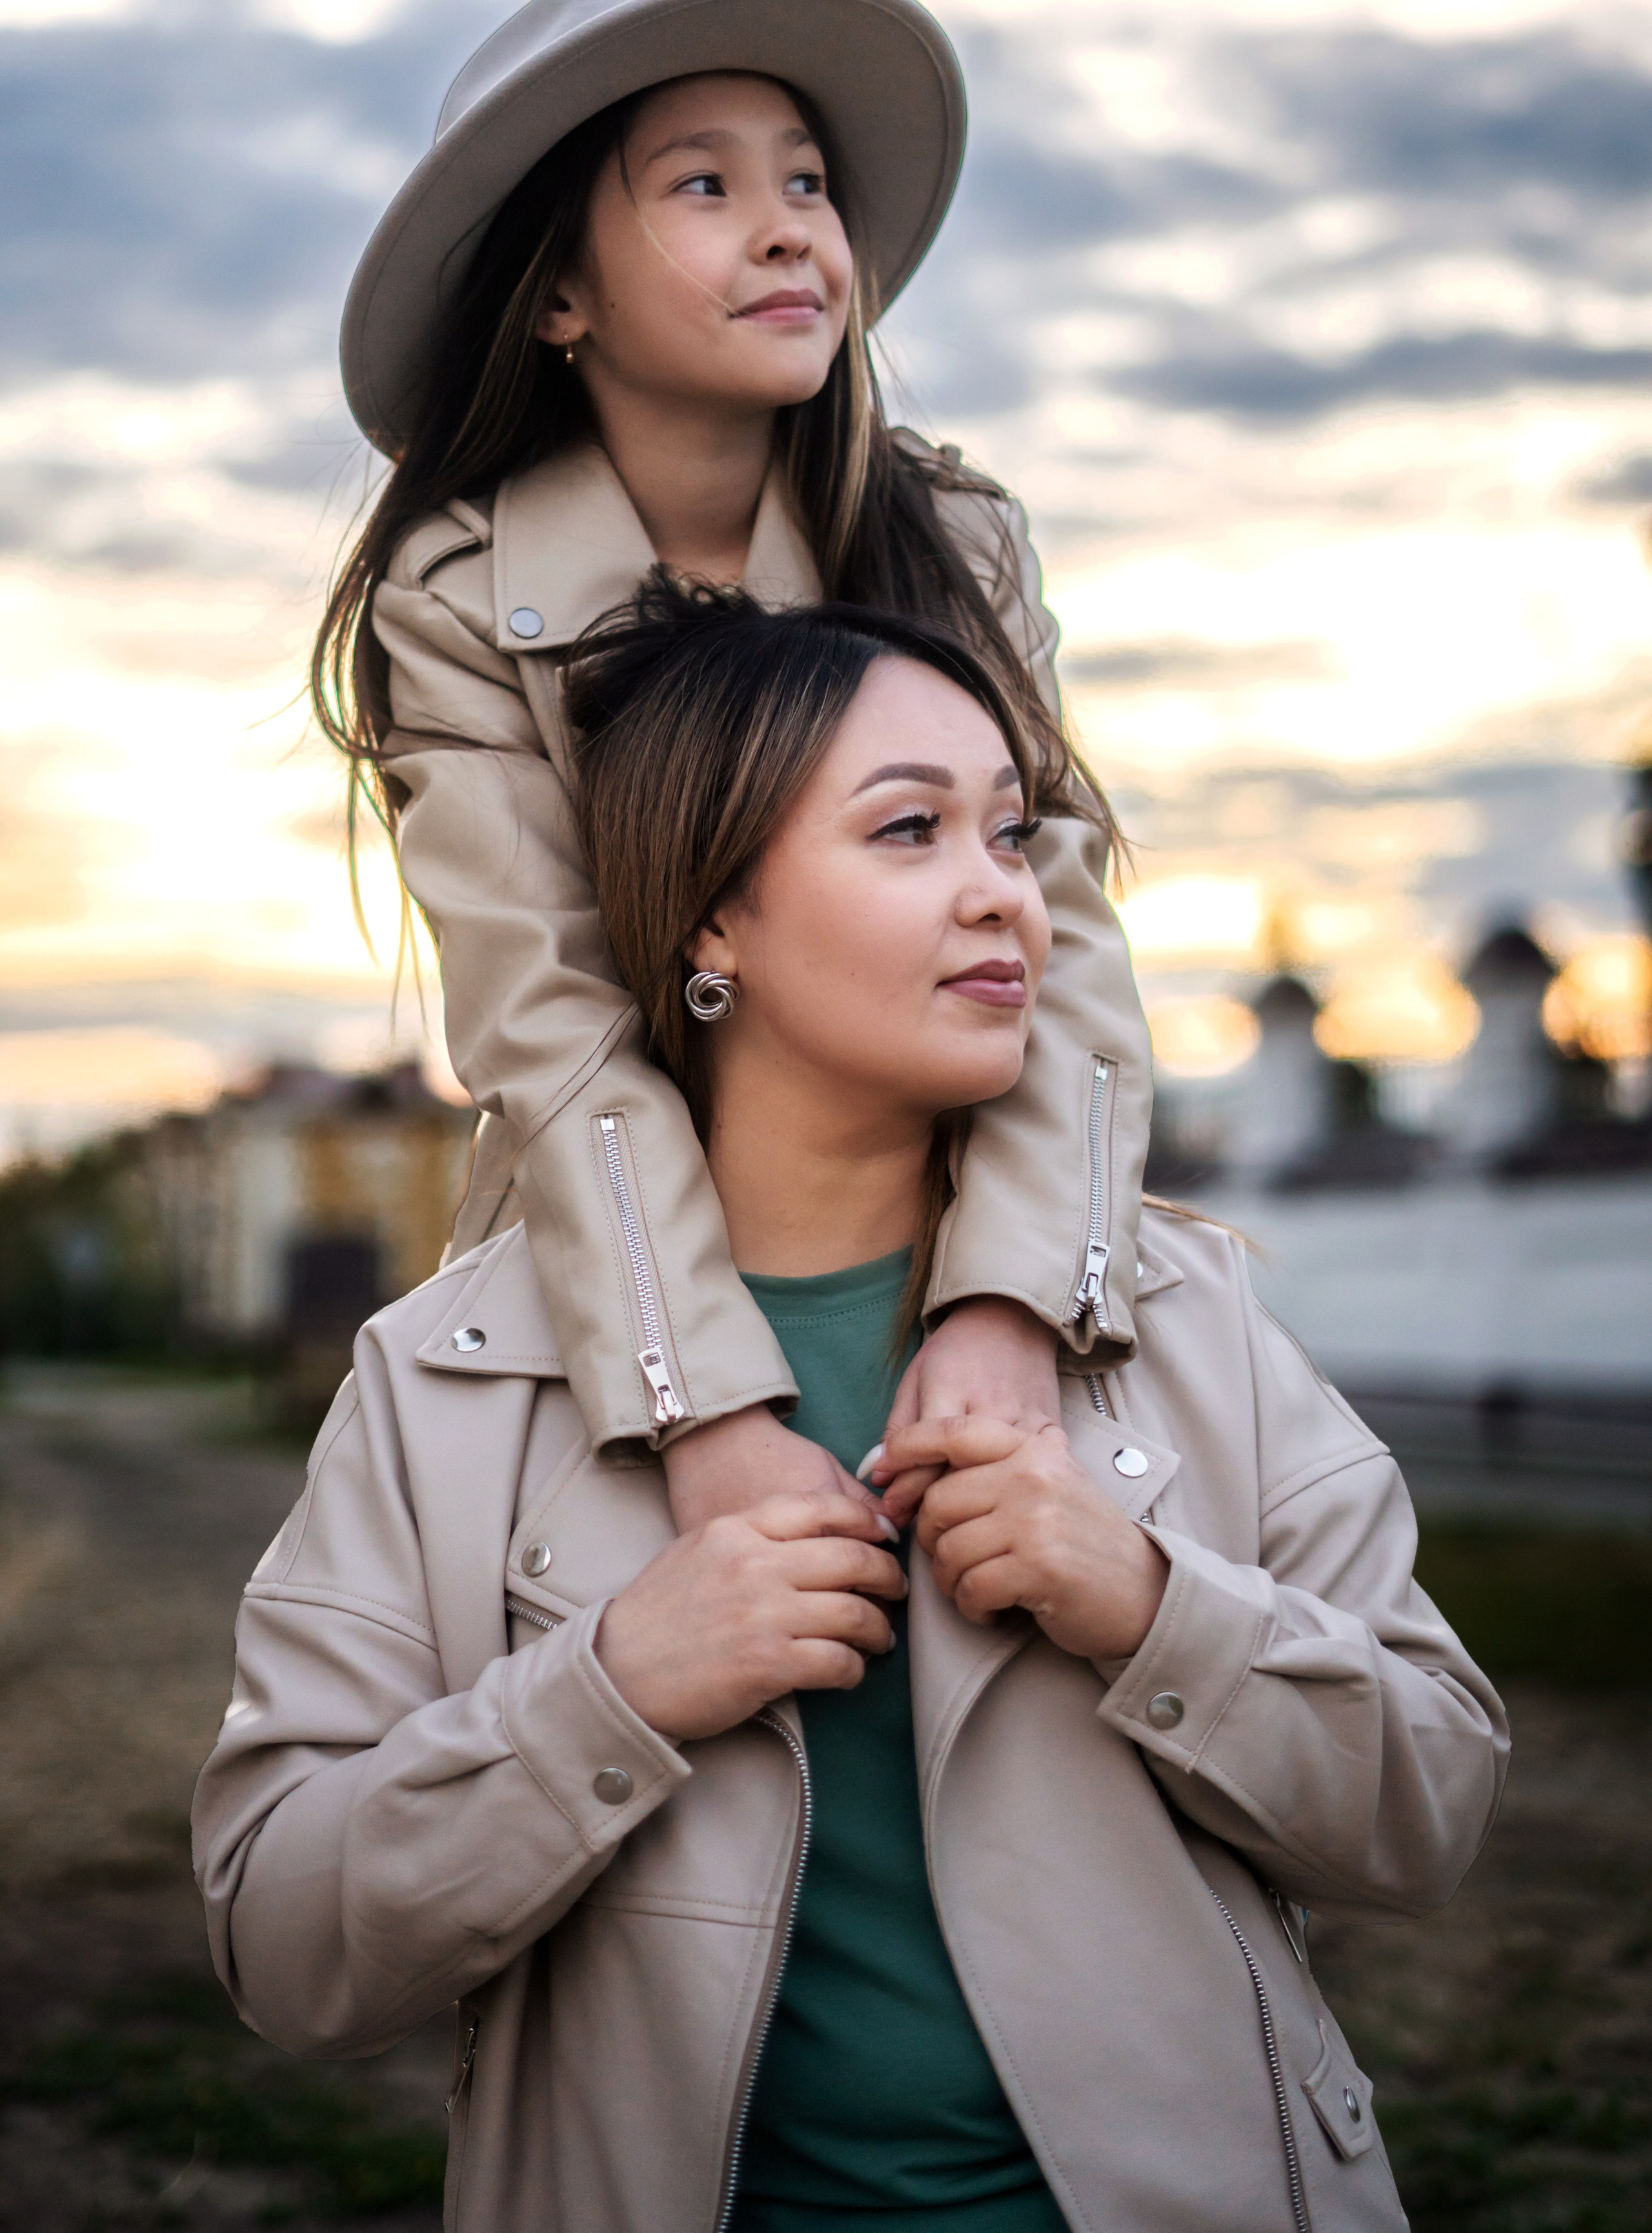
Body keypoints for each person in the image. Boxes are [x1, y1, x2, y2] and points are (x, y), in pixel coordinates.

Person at [197, 582, 1508, 2233]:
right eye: (910, 834)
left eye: (1013, 837)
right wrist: (612, 1692)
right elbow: (285, 1946)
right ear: (710, 922)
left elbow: (1431, 1809)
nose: (1006, 902)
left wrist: (1151, 1606)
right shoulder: (453, 1375)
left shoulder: (1184, 1317)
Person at [313, 0, 1153, 1541]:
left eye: (810, 183)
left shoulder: (953, 544)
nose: (789, 229)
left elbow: (1067, 940)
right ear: (556, 292)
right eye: (701, 184)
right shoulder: (450, 601)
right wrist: (696, 1397)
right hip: (625, 1290)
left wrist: (1016, 1303)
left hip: (980, 1233)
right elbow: (544, 1020)